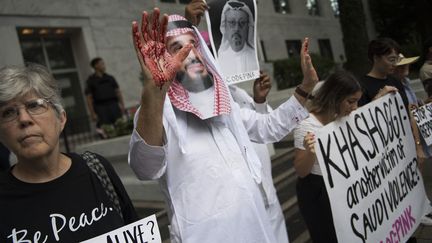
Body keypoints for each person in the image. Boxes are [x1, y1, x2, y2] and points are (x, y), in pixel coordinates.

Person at [129, 9, 318, 243]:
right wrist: (154, 92)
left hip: (256, 227)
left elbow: (268, 127)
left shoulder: (225, 104)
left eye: (194, 44)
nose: (192, 53)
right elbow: (144, 167)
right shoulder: (157, 112)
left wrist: (306, 87)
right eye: (177, 48)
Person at [184, 4, 289, 240]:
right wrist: (189, 25)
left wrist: (259, 101)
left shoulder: (239, 96)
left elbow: (267, 130)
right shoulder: (194, 107)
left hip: (268, 200)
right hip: (238, 213)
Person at [0, 64, 138, 242]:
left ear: (61, 118)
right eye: (8, 112)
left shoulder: (97, 168)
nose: (24, 119)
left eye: (34, 105)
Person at [293, 70, 397, 243]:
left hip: (344, 187)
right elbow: (301, 171)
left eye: (356, 101)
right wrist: (311, 152)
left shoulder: (342, 117)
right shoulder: (306, 126)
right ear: (334, 97)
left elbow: (364, 116)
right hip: (319, 191)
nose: (354, 107)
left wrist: (381, 96)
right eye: (351, 101)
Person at [229, 73, 289, 243]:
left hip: (268, 194)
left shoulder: (237, 92)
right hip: (243, 208)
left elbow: (266, 126)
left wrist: (259, 101)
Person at [393, 53, 432, 226]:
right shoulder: (396, 87)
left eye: (406, 65)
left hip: (415, 133)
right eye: (401, 66)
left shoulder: (406, 83)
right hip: (407, 136)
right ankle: (418, 208)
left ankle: (423, 205)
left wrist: (423, 103)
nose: (405, 68)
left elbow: (413, 105)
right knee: (413, 171)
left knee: (418, 170)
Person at [358, 37, 409, 110]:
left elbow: (407, 110)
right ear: (376, 58)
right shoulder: (362, 85)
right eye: (391, 60)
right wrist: (379, 97)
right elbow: (361, 115)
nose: (395, 64)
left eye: (397, 59)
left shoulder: (396, 81)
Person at [216, 0, 259, 77]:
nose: (236, 28)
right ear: (224, 26)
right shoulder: (220, 58)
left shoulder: (253, 55)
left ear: (248, 27)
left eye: (242, 23)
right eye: (232, 22)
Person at [85, 57, 126, 133]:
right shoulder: (90, 80)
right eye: (102, 64)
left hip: (114, 105)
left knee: (120, 127)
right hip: (100, 108)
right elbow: (88, 98)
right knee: (107, 130)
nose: (104, 66)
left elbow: (118, 92)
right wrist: (92, 113)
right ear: (96, 66)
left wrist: (122, 106)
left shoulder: (110, 78)